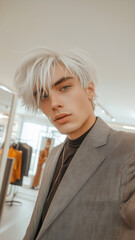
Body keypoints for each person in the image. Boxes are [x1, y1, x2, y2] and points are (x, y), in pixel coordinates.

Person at [14, 47, 135, 240]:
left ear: (89, 90)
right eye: (44, 96)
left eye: (64, 87)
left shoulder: (128, 149)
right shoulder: (54, 154)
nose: (54, 103)